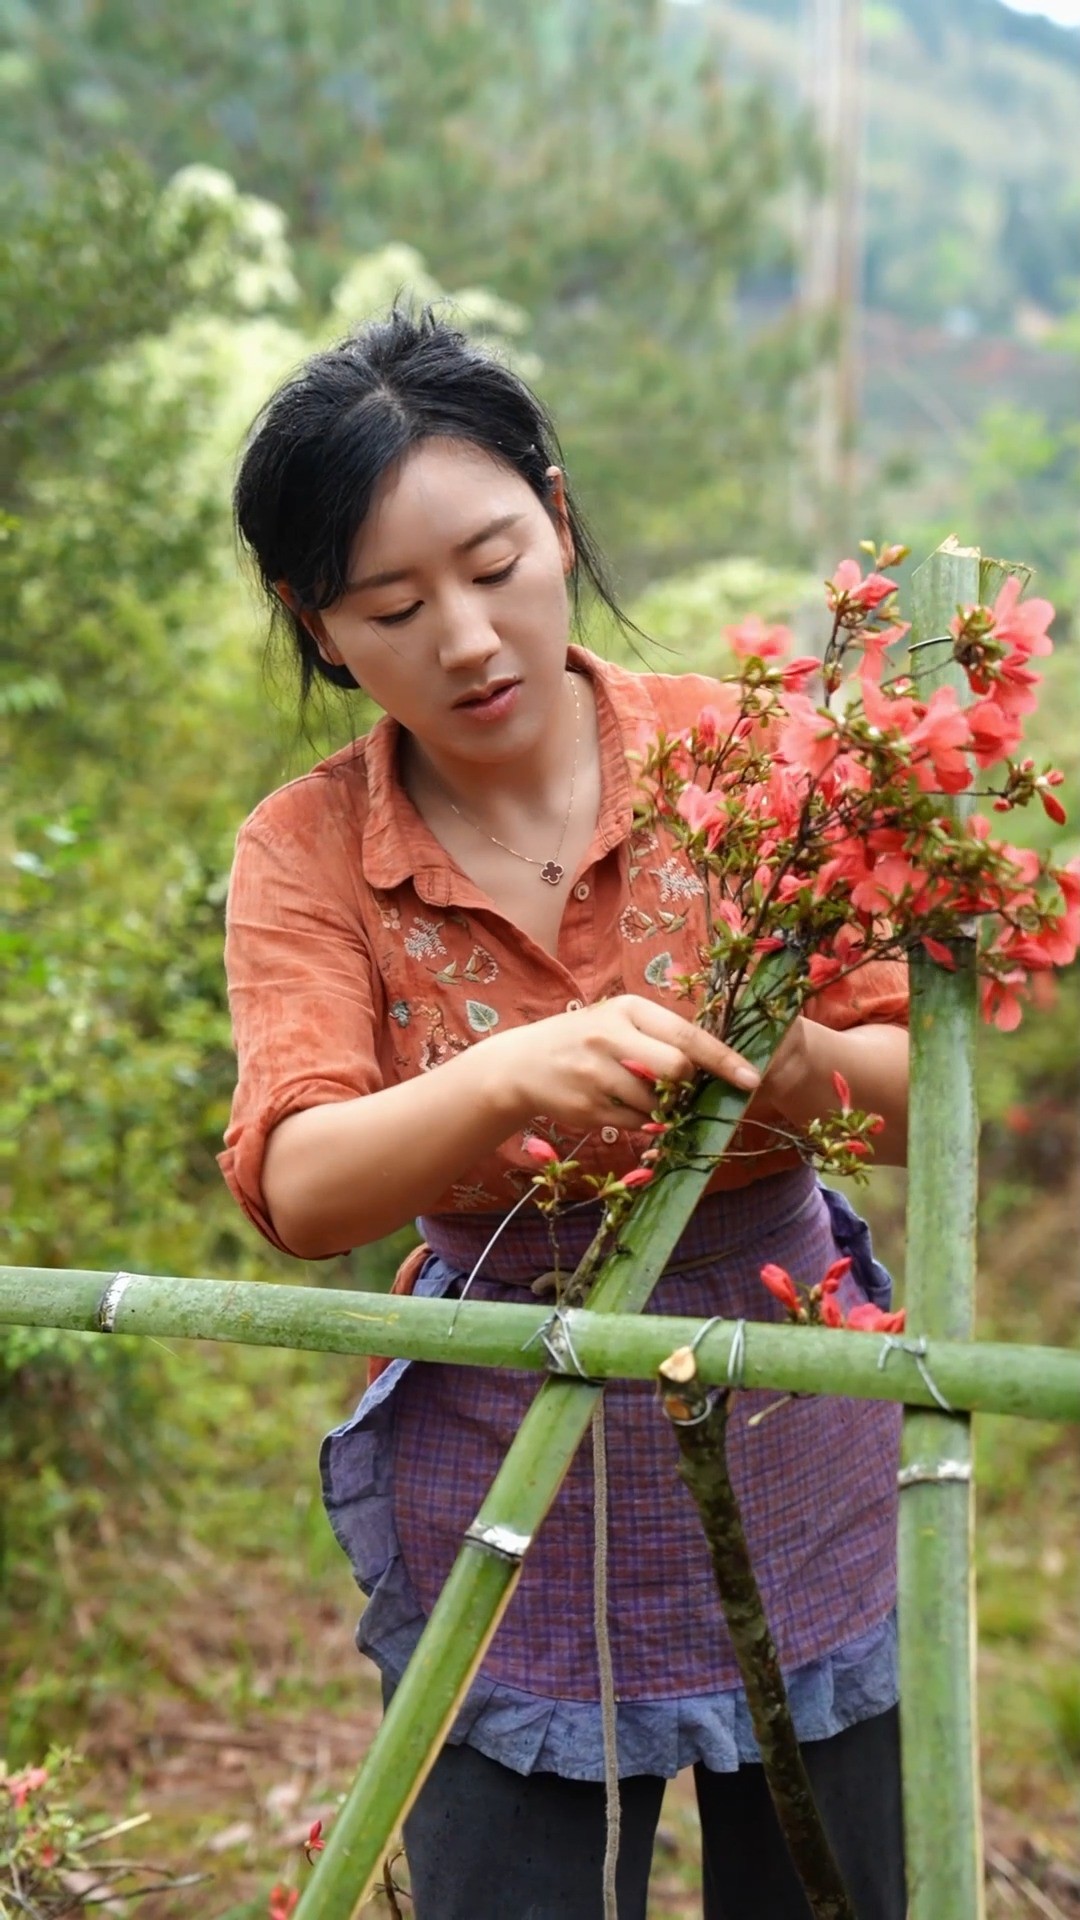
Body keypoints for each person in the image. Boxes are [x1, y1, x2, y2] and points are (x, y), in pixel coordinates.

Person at [222, 307, 909, 1920]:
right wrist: (500, 1080)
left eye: (493, 560)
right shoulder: (307, 849)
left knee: (836, 1888)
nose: (464, 637)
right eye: (392, 605)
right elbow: (300, 1181)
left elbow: (908, 1087)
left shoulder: (751, 761)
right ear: (315, 624)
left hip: (789, 1410)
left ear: (562, 516)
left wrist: (796, 1066)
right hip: (504, 1469)